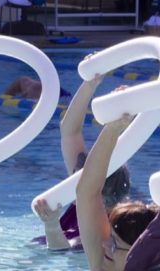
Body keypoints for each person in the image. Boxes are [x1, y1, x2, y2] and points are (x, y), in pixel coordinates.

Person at [33, 71, 130, 250]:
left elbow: (63, 252)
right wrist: (90, 83)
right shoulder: (84, 197)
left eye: (77, 180)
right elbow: (70, 131)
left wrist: (52, 225)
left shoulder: (106, 230)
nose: (71, 183)